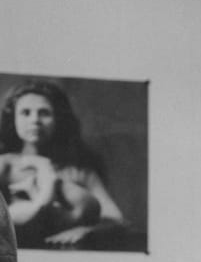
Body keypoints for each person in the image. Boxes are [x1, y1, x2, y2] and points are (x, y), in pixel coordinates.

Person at [0, 79, 126, 249]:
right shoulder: (5, 165)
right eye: (25, 112)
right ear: (12, 118)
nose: (35, 120)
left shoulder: (79, 171)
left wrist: (87, 230)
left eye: (44, 113)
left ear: (59, 119)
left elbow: (116, 219)